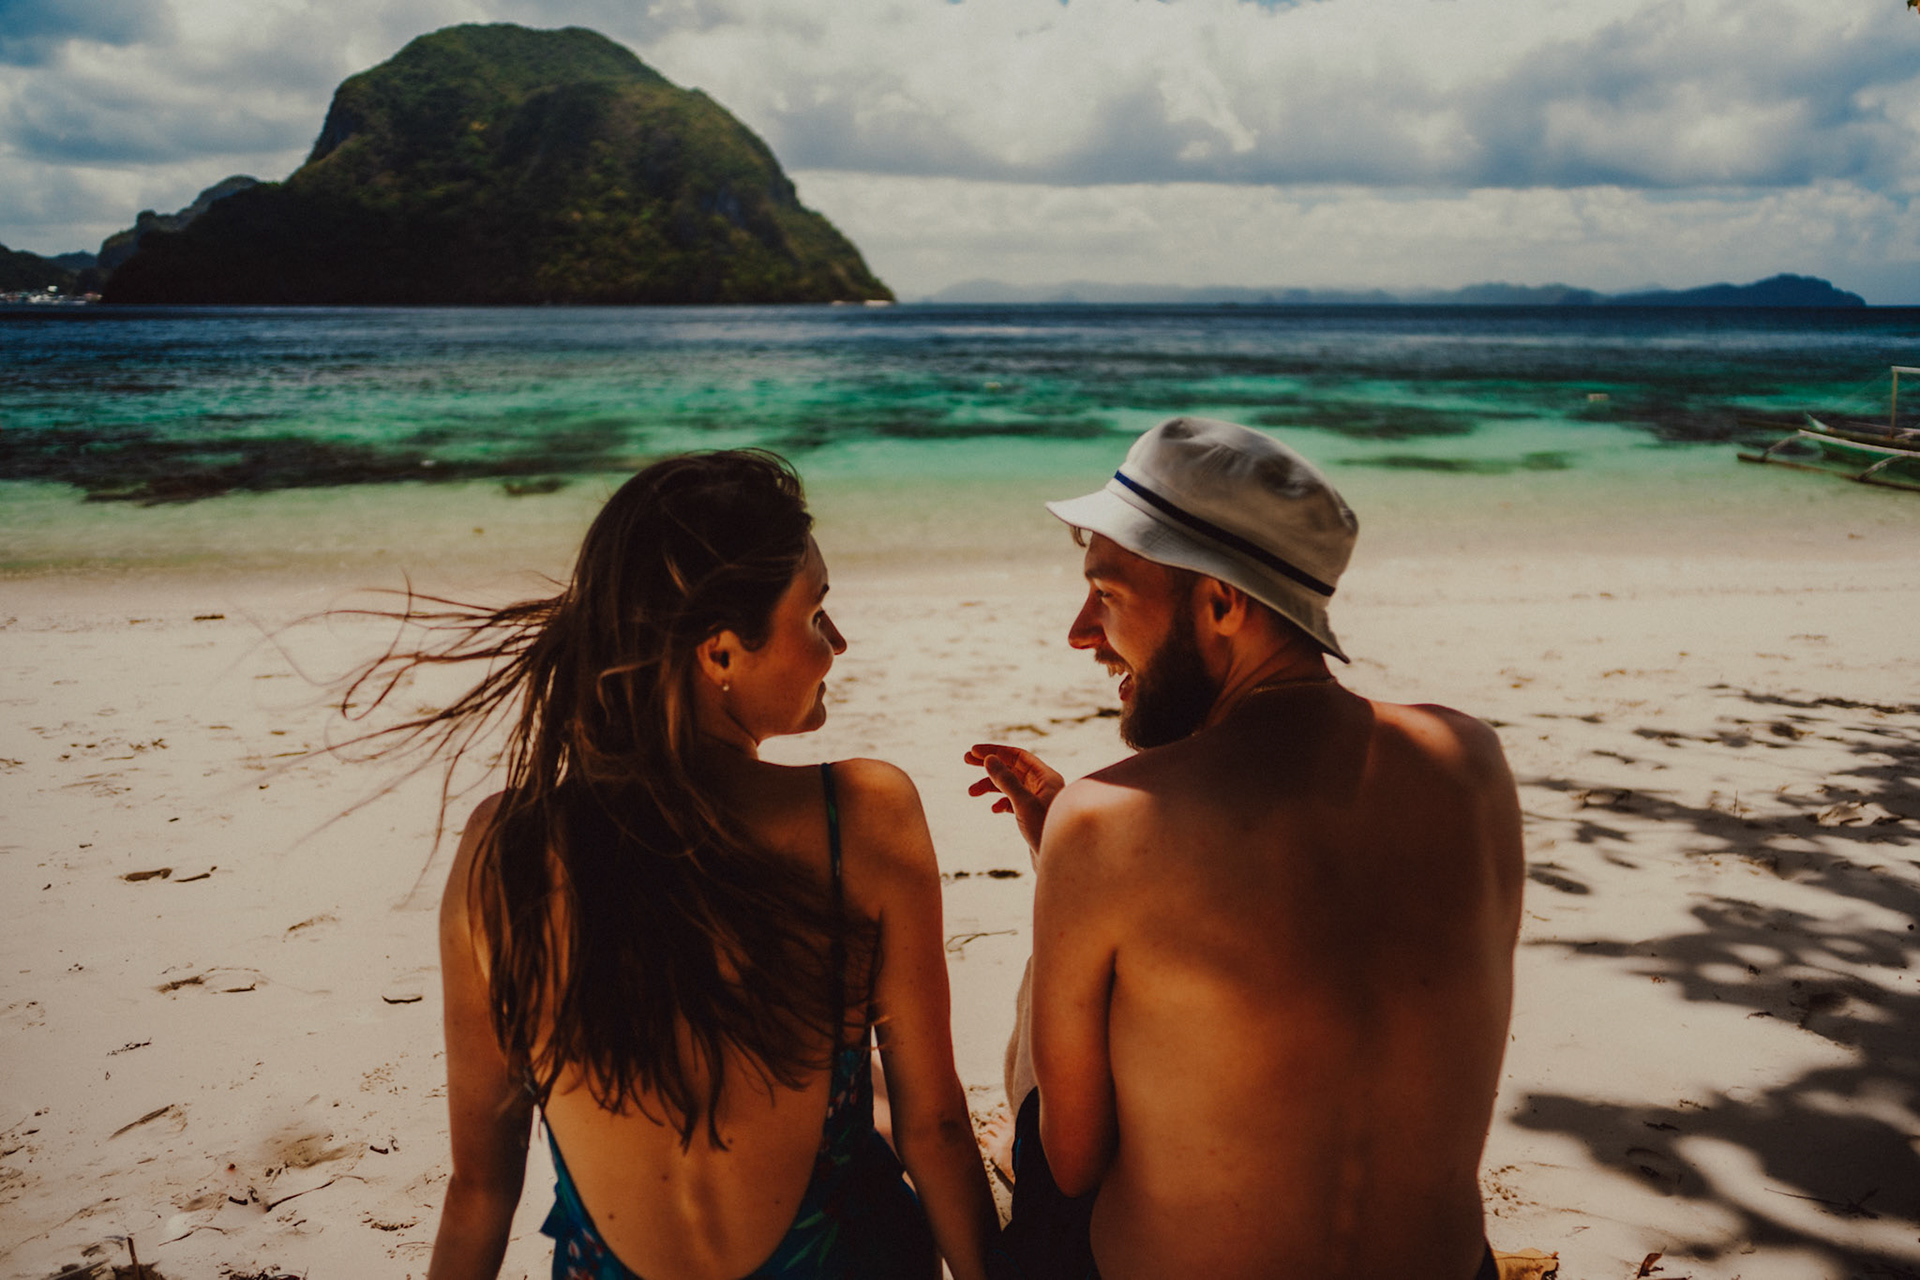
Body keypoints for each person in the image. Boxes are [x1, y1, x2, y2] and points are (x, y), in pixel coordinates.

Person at [352, 452, 996, 1280]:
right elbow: (935, 1131)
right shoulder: (861, 817)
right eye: (815, 616)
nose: (837, 644)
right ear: (720, 654)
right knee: (868, 1101)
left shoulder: (503, 850)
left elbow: (480, 1188)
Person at [967, 417, 1525, 1280]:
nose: (1081, 634)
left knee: (1041, 1114)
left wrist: (1066, 876)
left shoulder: (1105, 823)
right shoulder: (1471, 762)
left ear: (1222, 604)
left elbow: (1073, 1165)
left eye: (1106, 594)